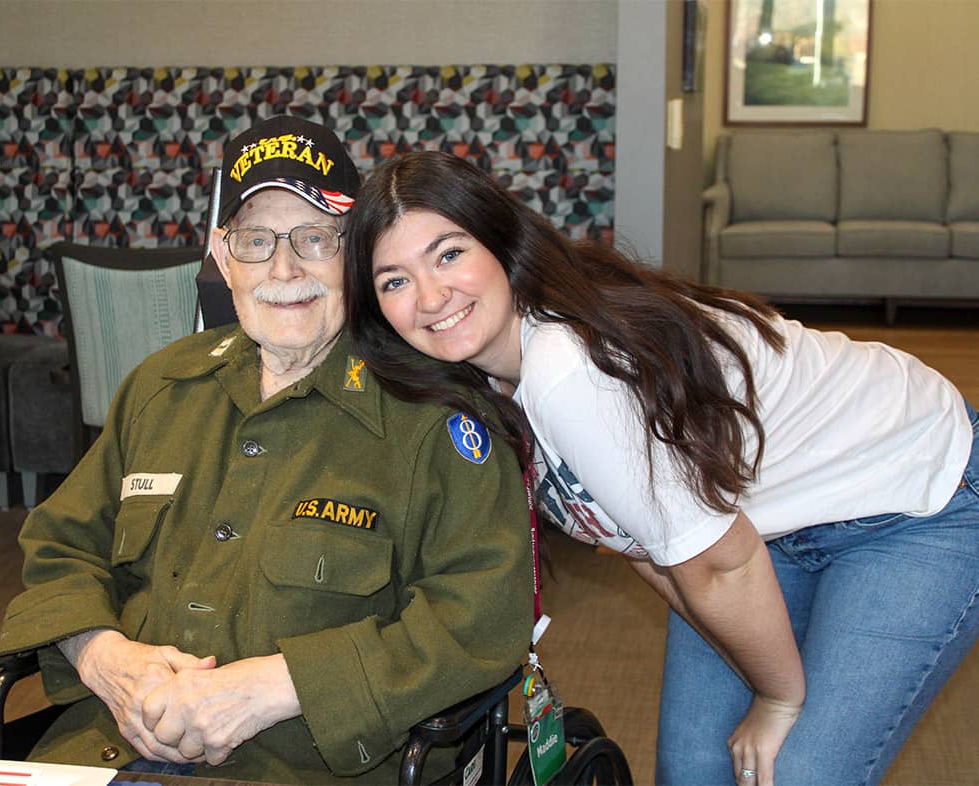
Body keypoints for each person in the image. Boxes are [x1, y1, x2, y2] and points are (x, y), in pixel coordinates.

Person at [342, 150, 979, 786]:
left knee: (798, 772)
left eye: (449, 254)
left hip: (912, 486)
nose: (431, 296)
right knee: (694, 766)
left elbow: (720, 564)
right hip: (758, 522)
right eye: (394, 281)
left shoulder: (567, 367)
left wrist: (777, 698)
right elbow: (647, 545)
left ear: (501, 241)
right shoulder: (479, 386)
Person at [0, 120, 534, 785]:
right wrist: (104, 658)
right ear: (223, 257)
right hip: (106, 748)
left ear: (354, 256)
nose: (284, 269)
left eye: (314, 238)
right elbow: (60, 545)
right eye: (256, 240)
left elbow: (479, 618)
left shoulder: (433, 416)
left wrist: (277, 686)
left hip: (304, 767)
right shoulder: (161, 387)